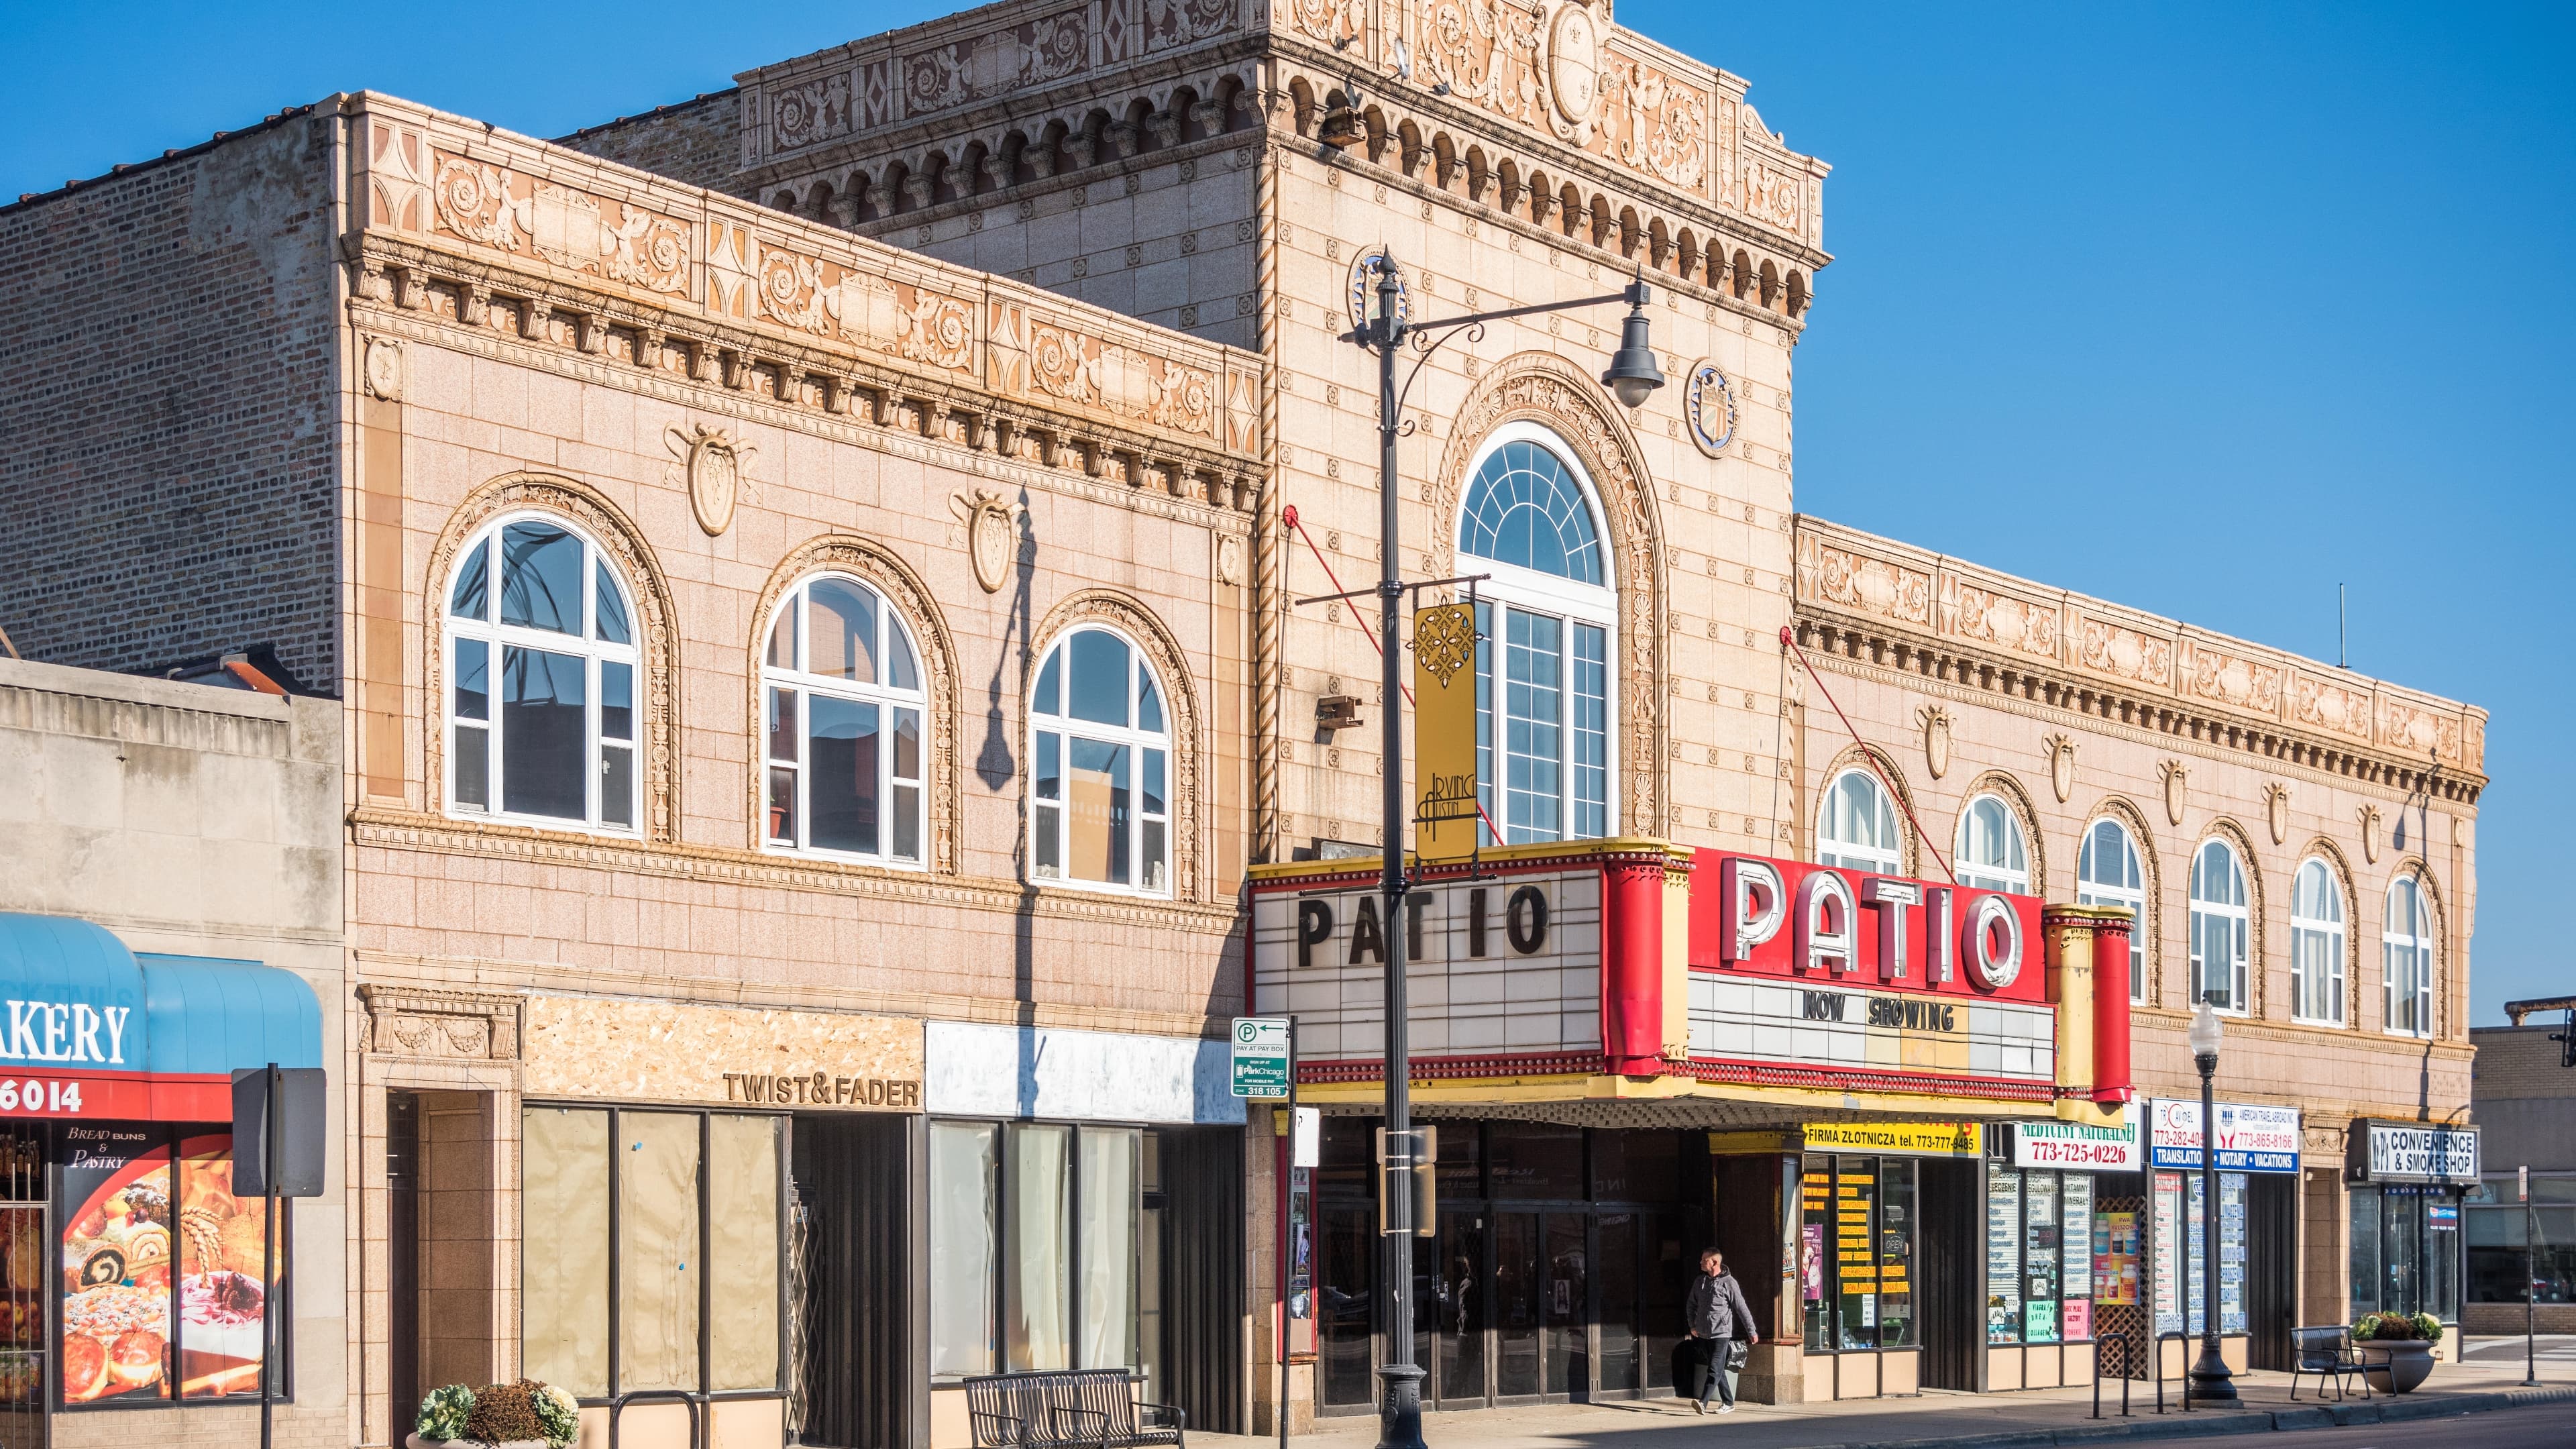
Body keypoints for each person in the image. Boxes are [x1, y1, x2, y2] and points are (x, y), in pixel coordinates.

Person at [1683, 1247, 1758, 1415]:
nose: (1701, 1262)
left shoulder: (1729, 1283)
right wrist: (1693, 1326)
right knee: (1716, 1368)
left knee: (1714, 1368)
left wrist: (1751, 1330)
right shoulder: (1700, 1282)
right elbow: (1691, 1305)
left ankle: (1703, 1402)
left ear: (1714, 1262)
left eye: (1704, 1260)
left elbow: (1741, 1308)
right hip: (1703, 1333)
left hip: (1721, 1334)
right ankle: (1729, 1402)